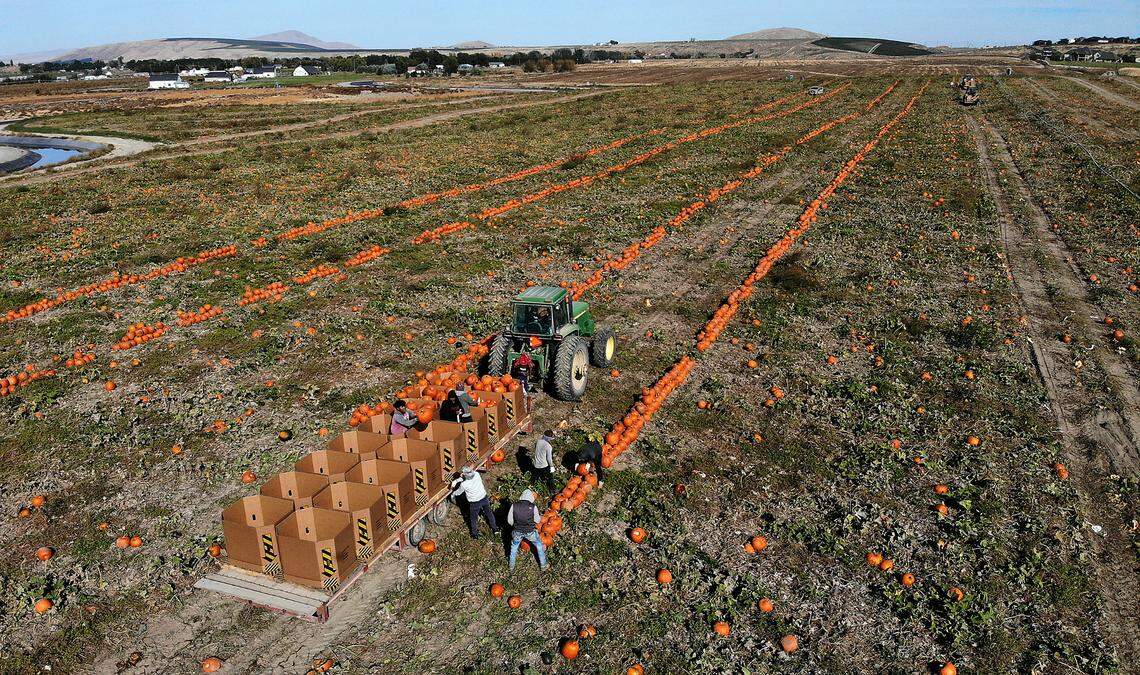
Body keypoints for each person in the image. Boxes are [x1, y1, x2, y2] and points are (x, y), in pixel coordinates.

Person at [450, 466, 499, 539]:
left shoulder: (464, 484)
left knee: (473, 518)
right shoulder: (477, 475)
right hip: (484, 498)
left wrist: (452, 492)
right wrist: (459, 479)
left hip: (475, 503)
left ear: (464, 475)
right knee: (489, 513)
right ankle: (495, 529)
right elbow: (465, 477)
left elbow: (458, 493)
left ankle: (474, 534)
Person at [507, 488, 548, 572]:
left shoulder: (513, 505)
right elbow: (537, 520)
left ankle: (511, 567)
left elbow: (509, 520)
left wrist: (516, 526)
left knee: (514, 548)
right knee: (539, 546)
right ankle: (543, 566)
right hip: (530, 532)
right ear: (531, 498)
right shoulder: (533, 507)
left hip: (517, 531)